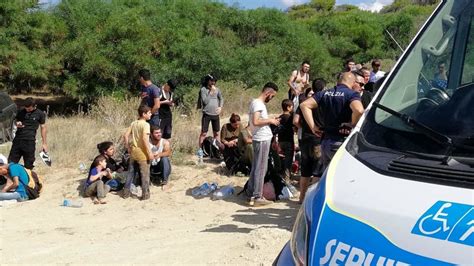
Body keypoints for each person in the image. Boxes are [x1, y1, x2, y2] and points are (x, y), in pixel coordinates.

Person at [300, 72, 364, 170]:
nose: (360, 86)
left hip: (325, 142)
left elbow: (304, 105)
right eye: (359, 84)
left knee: (327, 175)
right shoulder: (351, 94)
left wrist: (313, 127)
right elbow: (359, 110)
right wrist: (352, 124)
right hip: (341, 142)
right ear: (353, 82)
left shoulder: (325, 93)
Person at [246, 82, 280, 207]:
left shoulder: (256, 103)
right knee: (261, 168)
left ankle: (251, 192)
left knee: (256, 166)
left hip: (259, 138)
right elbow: (256, 121)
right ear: (268, 93)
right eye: (272, 96)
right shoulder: (258, 104)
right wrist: (271, 120)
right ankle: (257, 196)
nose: (271, 98)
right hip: (262, 139)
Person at [295, 78, 326, 204]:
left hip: (305, 139)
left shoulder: (305, 102)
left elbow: (295, 121)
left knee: (305, 170)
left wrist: (306, 127)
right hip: (318, 139)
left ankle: (301, 198)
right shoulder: (325, 102)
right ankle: (312, 200)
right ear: (324, 88)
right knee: (317, 171)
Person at [122, 105, 154, 200]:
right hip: (142, 153)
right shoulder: (146, 125)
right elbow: (145, 139)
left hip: (133, 152)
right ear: (144, 114)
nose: (150, 114)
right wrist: (150, 153)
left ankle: (125, 193)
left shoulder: (134, 123)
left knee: (130, 173)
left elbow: (125, 135)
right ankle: (145, 195)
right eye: (149, 113)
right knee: (145, 175)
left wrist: (128, 147)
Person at [8, 97, 47, 169]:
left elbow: (43, 128)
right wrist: (17, 123)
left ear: (35, 106)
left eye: (29, 109)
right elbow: (16, 121)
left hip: (29, 142)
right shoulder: (21, 111)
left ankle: (28, 179)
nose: (27, 110)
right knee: (11, 163)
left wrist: (44, 143)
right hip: (18, 140)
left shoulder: (40, 114)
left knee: (29, 165)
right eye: (26, 108)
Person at [198, 74, 224, 148]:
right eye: (211, 81)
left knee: (216, 133)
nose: (213, 83)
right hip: (207, 114)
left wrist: (220, 107)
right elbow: (205, 101)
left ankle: (218, 150)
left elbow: (221, 98)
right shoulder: (203, 89)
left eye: (214, 81)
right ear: (207, 81)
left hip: (215, 114)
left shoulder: (217, 89)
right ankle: (201, 150)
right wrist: (211, 92)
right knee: (203, 133)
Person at [277, 99, 294, 182]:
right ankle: (287, 179)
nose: (292, 108)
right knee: (288, 161)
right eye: (292, 107)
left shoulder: (279, 117)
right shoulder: (290, 118)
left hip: (281, 141)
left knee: (281, 160)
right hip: (289, 141)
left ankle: (281, 176)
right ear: (288, 107)